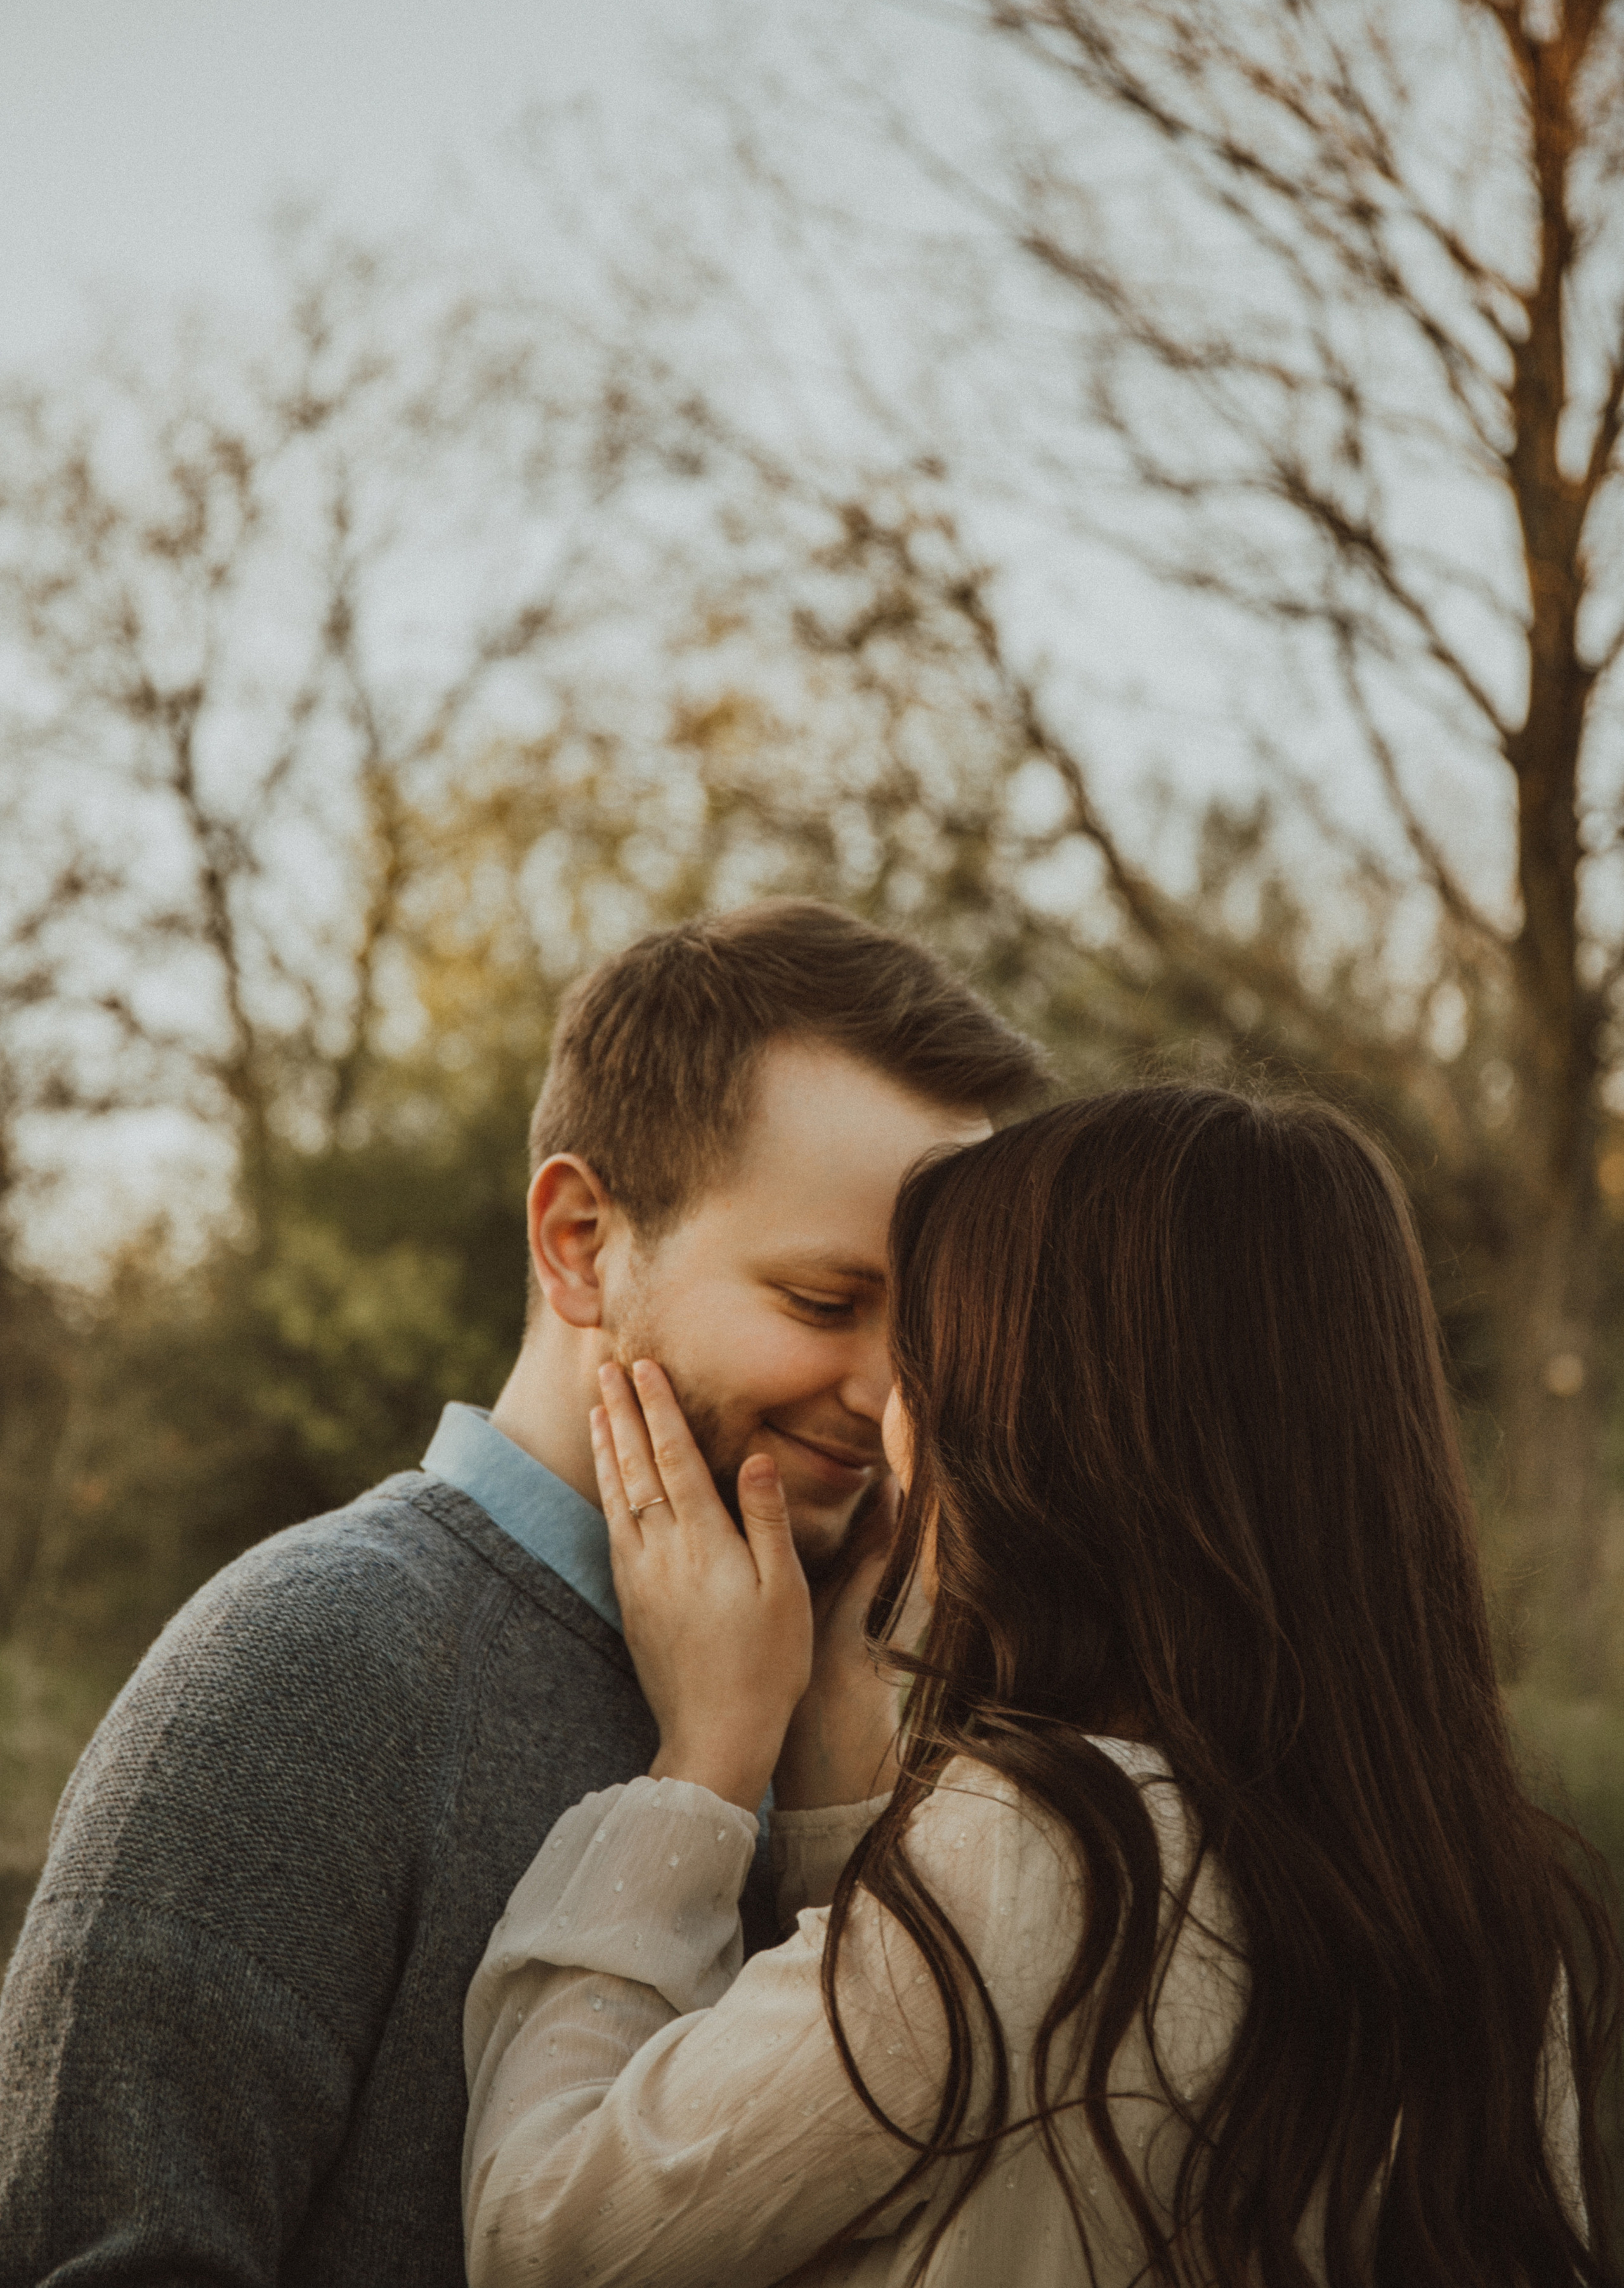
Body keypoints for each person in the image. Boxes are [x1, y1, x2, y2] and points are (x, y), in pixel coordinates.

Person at [0, 899, 1045, 2288]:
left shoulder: (884, 1690)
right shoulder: (306, 1668)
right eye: (819, 1301)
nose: (886, 1393)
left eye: (921, 1328)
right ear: (578, 1241)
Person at [462, 1083, 1620, 2288]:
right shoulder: (1472, 1898)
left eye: (925, 1357)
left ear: (1046, 1426)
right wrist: (834, 1818)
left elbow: (549, 2239)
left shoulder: (1046, 1858)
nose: (887, 1416)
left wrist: (703, 1763)